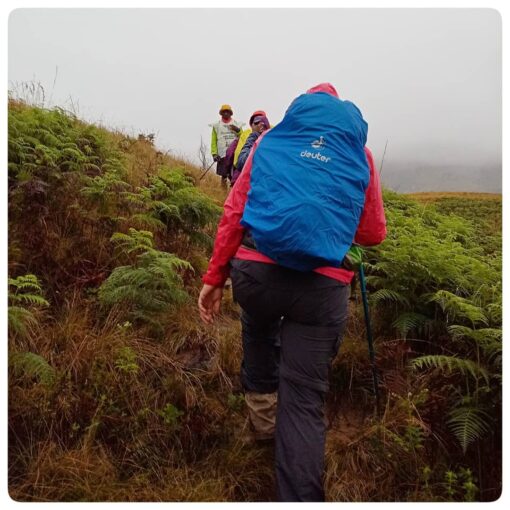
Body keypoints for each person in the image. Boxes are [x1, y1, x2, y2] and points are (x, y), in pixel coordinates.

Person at [198, 83, 386, 501]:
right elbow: (373, 234)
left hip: (257, 276)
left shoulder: (269, 142)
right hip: (322, 289)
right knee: (303, 398)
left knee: (259, 329)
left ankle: (262, 425)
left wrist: (214, 278)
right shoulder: (362, 155)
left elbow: (234, 211)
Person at [210, 105, 244, 187]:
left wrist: (238, 130)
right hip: (222, 155)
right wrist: (214, 153)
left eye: (227, 112)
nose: (225, 113)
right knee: (223, 175)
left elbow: (243, 137)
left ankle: (233, 193)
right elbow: (213, 141)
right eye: (224, 112)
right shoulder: (216, 126)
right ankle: (223, 193)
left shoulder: (237, 124)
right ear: (221, 114)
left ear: (230, 113)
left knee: (234, 175)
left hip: (234, 155)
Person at [231, 113, 270, 185]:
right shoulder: (245, 133)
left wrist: (254, 136)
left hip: (250, 182)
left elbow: (242, 162)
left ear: (261, 126)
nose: (253, 125)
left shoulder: (256, 136)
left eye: (256, 123)